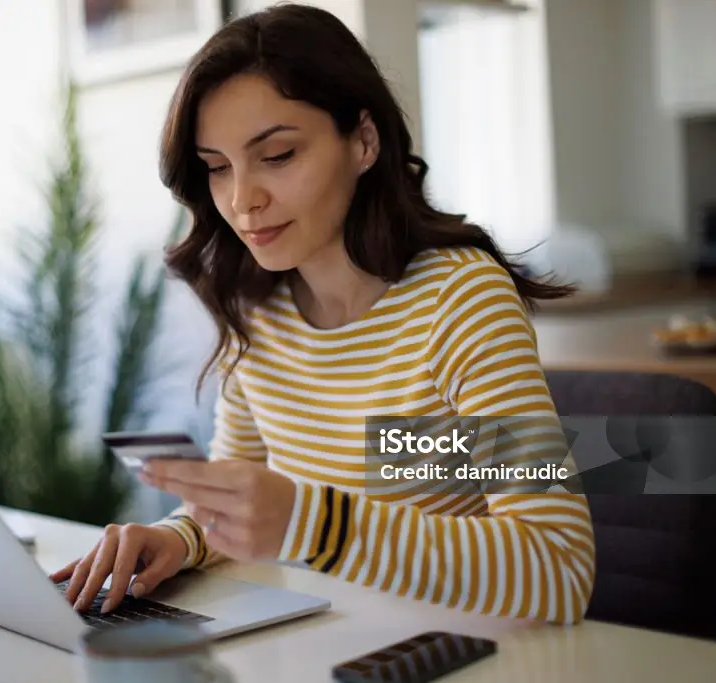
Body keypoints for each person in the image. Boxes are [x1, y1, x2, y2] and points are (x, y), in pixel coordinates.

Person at [51, 2, 595, 625]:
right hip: (328, 644)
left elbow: (561, 568)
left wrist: (312, 521)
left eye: (278, 156)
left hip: (455, 654)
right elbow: (244, 492)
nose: (242, 200)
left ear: (364, 141)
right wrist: (178, 538)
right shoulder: (259, 309)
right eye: (218, 169)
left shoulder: (461, 300)